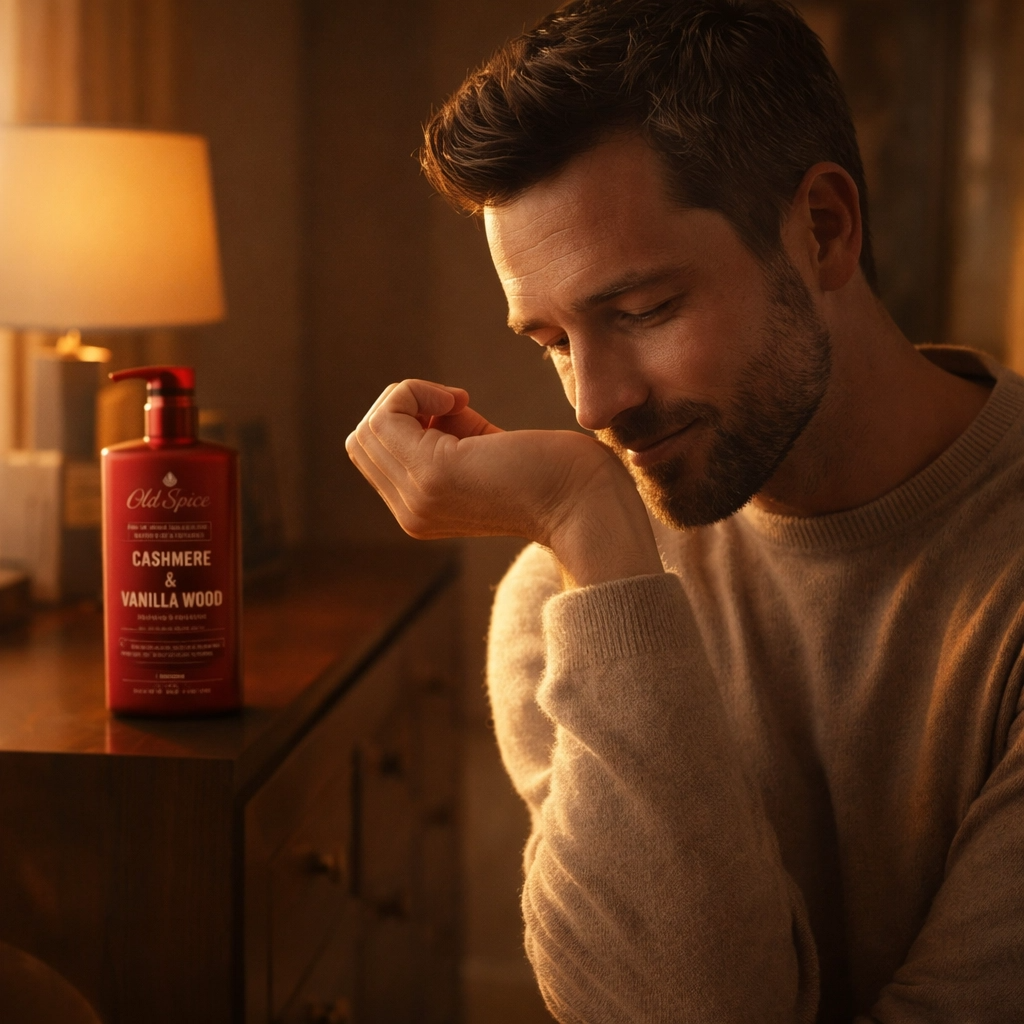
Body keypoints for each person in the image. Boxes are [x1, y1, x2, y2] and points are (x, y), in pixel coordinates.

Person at [346, 1, 1024, 1020]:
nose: (591, 404)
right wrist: (586, 529)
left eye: (642, 311)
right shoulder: (574, 596)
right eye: (552, 340)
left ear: (823, 230)